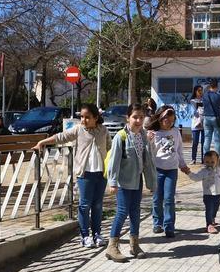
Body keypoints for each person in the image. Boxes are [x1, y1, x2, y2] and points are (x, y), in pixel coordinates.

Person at [35, 104, 110, 249]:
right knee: (84, 205)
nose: (83, 120)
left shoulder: (103, 130)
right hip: (85, 174)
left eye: (87, 117)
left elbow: (110, 148)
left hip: (101, 174)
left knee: (97, 205)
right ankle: (85, 236)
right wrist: (42, 142)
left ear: (96, 117)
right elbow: (61, 137)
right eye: (82, 117)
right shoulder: (78, 129)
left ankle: (97, 234)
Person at [105, 104, 157, 262]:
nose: (138, 120)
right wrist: (112, 182)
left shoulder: (143, 135)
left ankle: (134, 245)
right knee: (122, 212)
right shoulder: (120, 137)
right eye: (135, 117)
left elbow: (148, 160)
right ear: (128, 118)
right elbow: (114, 161)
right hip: (123, 182)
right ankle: (112, 247)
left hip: (137, 180)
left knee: (135, 212)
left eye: (141, 117)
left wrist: (151, 182)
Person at [146, 105, 191, 237]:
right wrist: (148, 140)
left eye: (172, 121)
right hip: (157, 170)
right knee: (157, 198)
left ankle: (169, 225)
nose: (169, 123)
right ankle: (157, 223)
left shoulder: (176, 132)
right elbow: (148, 153)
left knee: (169, 198)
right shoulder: (154, 133)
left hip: (171, 170)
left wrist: (183, 165)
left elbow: (179, 150)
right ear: (160, 118)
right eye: (167, 120)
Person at [188, 149, 220, 234]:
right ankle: (209, 225)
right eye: (207, 162)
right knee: (209, 209)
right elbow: (196, 177)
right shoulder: (203, 171)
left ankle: (212, 218)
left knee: (216, 207)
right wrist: (189, 173)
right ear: (204, 161)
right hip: (208, 194)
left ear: (217, 162)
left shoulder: (218, 169)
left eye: (212, 162)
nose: (209, 164)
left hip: (218, 193)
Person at [202, 79, 220, 155]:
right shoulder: (219, 95)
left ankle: (205, 157)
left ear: (210, 86)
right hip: (216, 118)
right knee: (217, 140)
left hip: (206, 118)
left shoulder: (205, 95)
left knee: (207, 138)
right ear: (217, 86)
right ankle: (217, 157)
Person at [190, 85, 205, 164]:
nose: (200, 92)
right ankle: (193, 159)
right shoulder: (192, 101)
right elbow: (194, 112)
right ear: (195, 91)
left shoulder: (204, 100)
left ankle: (203, 159)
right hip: (196, 124)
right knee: (195, 142)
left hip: (204, 124)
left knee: (204, 143)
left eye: (201, 90)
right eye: (199, 90)